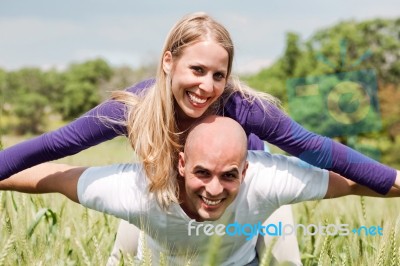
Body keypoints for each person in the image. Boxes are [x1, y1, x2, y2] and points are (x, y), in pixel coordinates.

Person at [1, 11, 399, 264]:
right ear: (168, 62)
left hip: (250, 203)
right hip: (161, 199)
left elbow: (316, 147)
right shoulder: (134, 108)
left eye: (218, 75)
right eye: (196, 70)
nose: (207, 87)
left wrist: (391, 180)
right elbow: (53, 147)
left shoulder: (245, 107)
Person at [2, 116, 398, 265]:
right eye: (202, 173)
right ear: (179, 165)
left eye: (228, 175)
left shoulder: (269, 178)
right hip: (151, 244)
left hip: (246, 246)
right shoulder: (134, 188)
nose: (213, 188)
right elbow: (53, 174)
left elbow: (354, 180)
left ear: (245, 170)